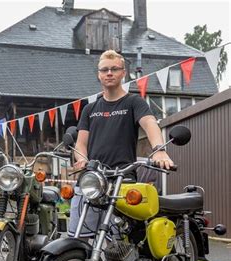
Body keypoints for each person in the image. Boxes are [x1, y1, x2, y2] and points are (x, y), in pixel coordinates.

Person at [68, 49, 173, 238]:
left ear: (123, 73)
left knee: (118, 244)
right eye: (104, 70)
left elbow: (150, 124)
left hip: (122, 181)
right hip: (91, 182)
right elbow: (81, 143)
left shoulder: (134, 102)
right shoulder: (90, 109)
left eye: (114, 69)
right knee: (78, 241)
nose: (109, 73)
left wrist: (159, 150)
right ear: (99, 74)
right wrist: (82, 159)